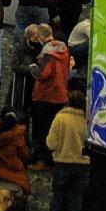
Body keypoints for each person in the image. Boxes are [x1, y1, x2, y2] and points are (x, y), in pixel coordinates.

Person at [46, 89, 89, 211]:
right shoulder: (88, 120)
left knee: (58, 196)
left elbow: (50, 143)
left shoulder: (61, 117)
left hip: (62, 163)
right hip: (83, 165)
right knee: (76, 198)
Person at [27, 24, 71, 171]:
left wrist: (33, 66)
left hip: (46, 96)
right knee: (55, 129)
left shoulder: (48, 54)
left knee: (43, 130)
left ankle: (43, 161)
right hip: (60, 94)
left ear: (40, 37)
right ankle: (53, 158)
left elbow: (42, 74)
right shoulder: (63, 49)